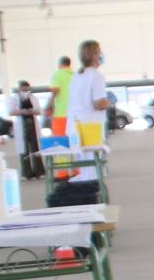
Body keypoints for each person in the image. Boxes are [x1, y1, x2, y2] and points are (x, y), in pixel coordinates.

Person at [67, 40, 110, 183]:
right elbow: (99, 104)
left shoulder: (76, 76)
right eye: (99, 51)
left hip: (75, 126)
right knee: (93, 169)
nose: (101, 54)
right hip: (91, 127)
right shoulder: (96, 76)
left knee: (84, 167)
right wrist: (108, 102)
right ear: (94, 55)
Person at [7, 80, 44, 180]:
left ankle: (39, 171)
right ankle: (26, 173)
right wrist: (22, 111)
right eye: (24, 90)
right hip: (21, 125)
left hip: (33, 125)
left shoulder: (33, 98)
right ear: (19, 89)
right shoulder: (14, 99)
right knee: (24, 150)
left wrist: (32, 111)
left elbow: (39, 111)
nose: (26, 91)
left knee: (35, 148)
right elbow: (10, 112)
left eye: (27, 90)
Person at [46, 56, 73, 137]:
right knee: (74, 141)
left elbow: (54, 92)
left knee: (60, 142)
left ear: (60, 64)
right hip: (75, 115)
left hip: (61, 114)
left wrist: (48, 107)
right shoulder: (75, 75)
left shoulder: (58, 74)